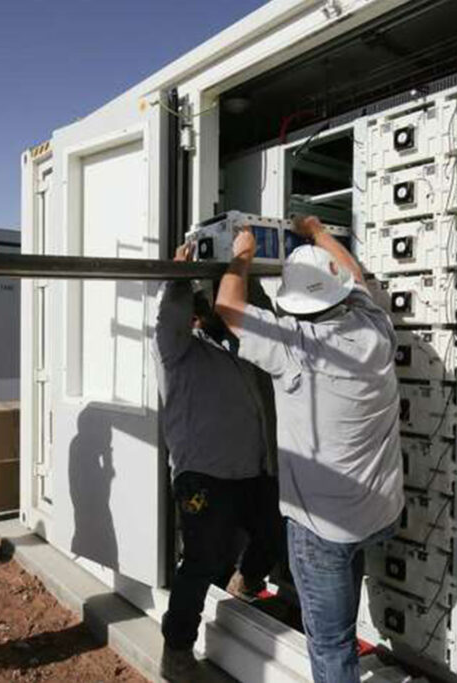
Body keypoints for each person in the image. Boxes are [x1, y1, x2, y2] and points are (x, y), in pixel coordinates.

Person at [214, 216, 405, 683]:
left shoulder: (293, 346)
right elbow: (355, 279)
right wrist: (318, 232)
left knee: (331, 641)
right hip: (376, 514)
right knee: (344, 586)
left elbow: (227, 305)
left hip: (322, 528)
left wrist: (241, 253)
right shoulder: (375, 326)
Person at [153, 242, 285, 680]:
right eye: (194, 309)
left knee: (273, 533)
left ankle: (245, 582)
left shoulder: (235, 349)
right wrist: (178, 280)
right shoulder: (175, 351)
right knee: (202, 560)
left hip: (253, 468)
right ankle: (176, 649)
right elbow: (169, 317)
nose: (200, 314)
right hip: (203, 476)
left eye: (204, 308)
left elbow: (254, 318)